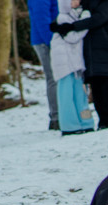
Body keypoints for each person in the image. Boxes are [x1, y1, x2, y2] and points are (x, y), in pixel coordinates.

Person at [51, 0, 108, 129]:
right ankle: (103, 120)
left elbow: (100, 17)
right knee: (95, 84)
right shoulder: (83, 2)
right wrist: (58, 25)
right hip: (87, 48)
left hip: (104, 44)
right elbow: (70, 13)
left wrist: (73, 26)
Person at [51, 0, 96, 134]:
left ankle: (85, 121)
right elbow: (73, 37)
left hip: (75, 62)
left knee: (79, 93)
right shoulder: (63, 17)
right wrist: (85, 22)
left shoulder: (75, 15)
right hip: (65, 63)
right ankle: (69, 125)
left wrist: (79, 24)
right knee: (66, 94)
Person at [28, 0, 60, 130]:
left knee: (55, 78)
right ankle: (56, 117)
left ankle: (58, 115)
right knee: (53, 78)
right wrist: (51, 42)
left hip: (50, 39)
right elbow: (41, 18)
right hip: (45, 40)